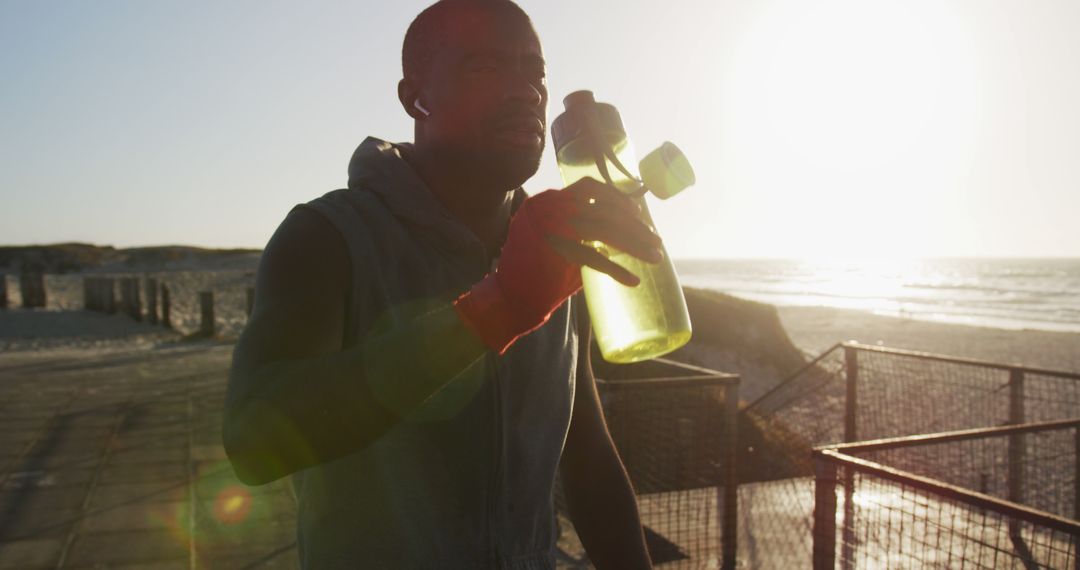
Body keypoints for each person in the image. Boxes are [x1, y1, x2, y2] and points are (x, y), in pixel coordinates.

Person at [224, 0, 662, 567]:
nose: (526, 89)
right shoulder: (328, 237)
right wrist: (496, 308)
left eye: (535, 71)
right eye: (486, 66)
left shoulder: (552, 243)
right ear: (415, 97)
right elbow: (253, 444)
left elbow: (587, 455)